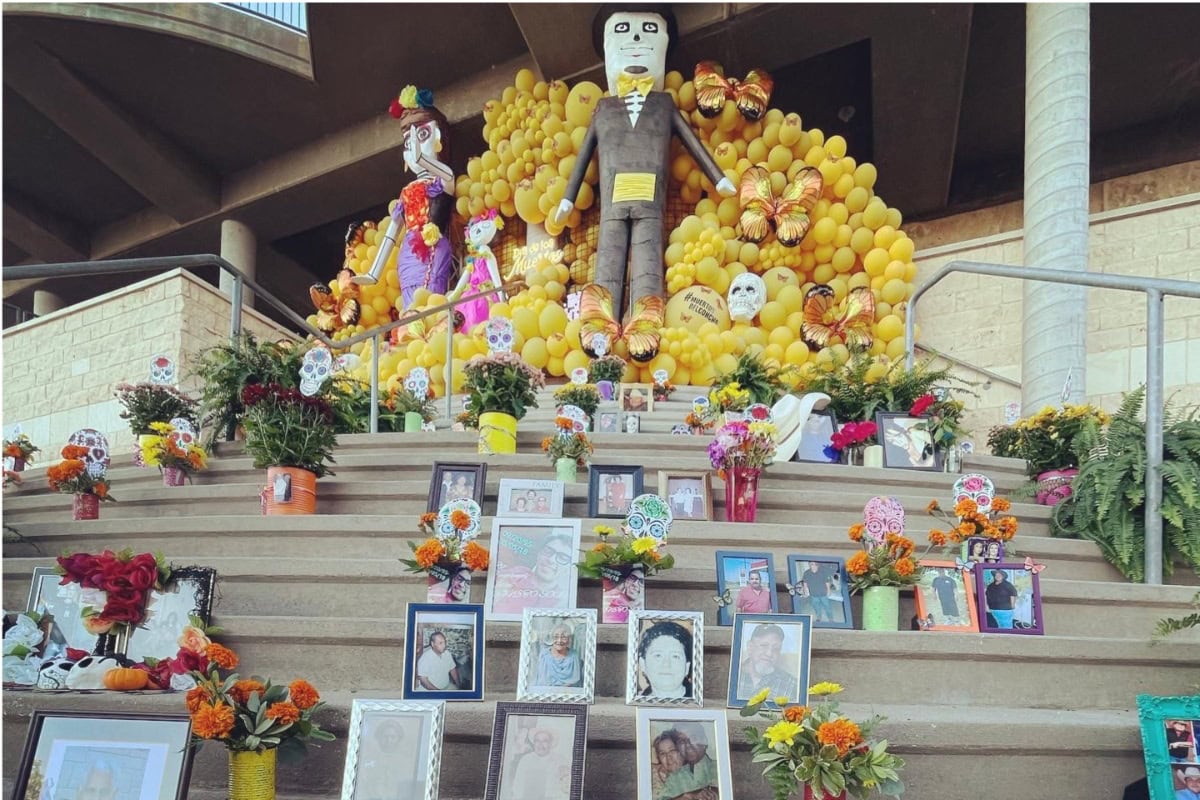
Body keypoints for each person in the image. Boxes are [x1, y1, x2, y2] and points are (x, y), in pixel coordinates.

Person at [493, 531, 576, 614]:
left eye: (563, 558)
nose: (551, 560)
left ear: (569, 568)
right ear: (539, 554)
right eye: (548, 551)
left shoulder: (563, 600)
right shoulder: (515, 575)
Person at [353, 719, 421, 800]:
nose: (389, 740)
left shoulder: (406, 763)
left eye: (393, 737)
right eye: (385, 736)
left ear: (398, 739)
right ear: (378, 738)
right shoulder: (367, 761)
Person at [503, 728, 570, 800]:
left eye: (545, 741)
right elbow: (517, 787)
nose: (540, 744)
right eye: (537, 741)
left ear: (551, 743)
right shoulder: (525, 760)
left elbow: (566, 789)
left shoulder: (561, 761)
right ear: (533, 743)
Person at [652, 728, 719, 800]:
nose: (668, 757)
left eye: (672, 750)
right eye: (662, 753)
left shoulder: (707, 768)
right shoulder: (655, 776)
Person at [736, 623, 797, 700]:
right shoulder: (734, 676)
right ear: (750, 647)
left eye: (776, 649)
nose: (769, 653)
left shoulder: (792, 685)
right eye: (764, 646)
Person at [638, 621, 692, 699]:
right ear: (642, 664)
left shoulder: (695, 701)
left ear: (687, 667)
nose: (666, 664)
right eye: (658, 655)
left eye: (675, 656)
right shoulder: (638, 699)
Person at [533, 622, 582, 688]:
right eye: (556, 637)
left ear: (569, 640)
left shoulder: (574, 656)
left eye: (564, 637)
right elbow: (541, 682)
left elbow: (576, 682)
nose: (559, 640)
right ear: (551, 638)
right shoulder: (544, 655)